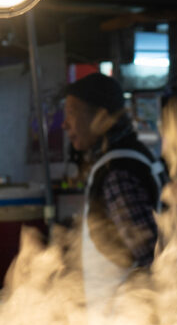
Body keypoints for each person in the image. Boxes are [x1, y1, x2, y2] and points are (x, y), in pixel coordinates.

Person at [62, 72, 168, 306]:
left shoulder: (117, 170)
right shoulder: (131, 154)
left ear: (101, 116)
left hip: (124, 322)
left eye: (72, 113)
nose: (64, 124)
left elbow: (149, 256)